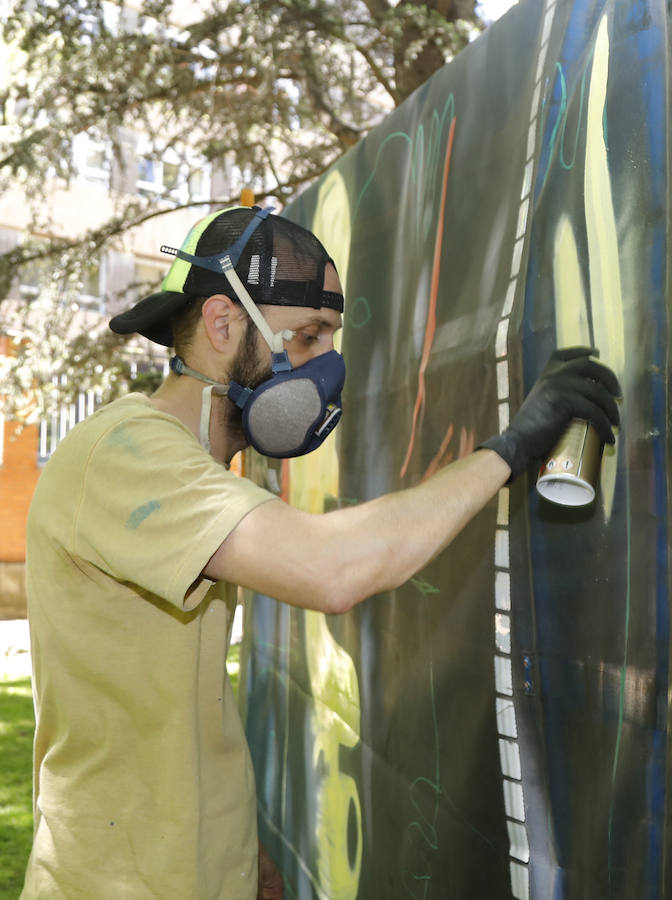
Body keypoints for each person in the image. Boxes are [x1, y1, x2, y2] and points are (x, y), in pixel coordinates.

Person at [21, 205, 621, 899]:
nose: (326, 368)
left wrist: (240, 856)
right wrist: (508, 451)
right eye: (307, 337)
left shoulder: (200, 472)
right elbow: (331, 569)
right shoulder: (124, 454)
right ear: (222, 324)